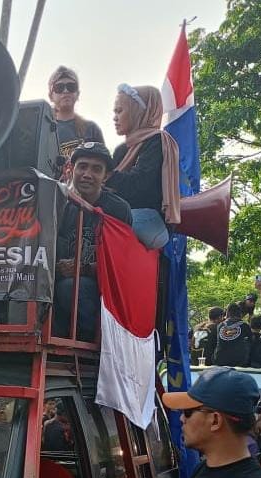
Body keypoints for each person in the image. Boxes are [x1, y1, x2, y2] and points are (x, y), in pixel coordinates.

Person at [54, 142, 132, 339]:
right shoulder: (63, 206)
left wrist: (83, 268)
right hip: (64, 281)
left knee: (69, 288)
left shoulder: (117, 209)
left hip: (101, 291)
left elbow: (121, 266)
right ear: (71, 170)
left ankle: (92, 344)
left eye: (96, 169)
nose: (87, 174)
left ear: (106, 176)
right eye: (82, 166)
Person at [105, 84, 180, 250]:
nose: (114, 118)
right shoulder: (121, 150)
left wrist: (103, 175)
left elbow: (140, 185)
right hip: (126, 214)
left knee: (101, 221)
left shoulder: (157, 141)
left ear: (138, 112)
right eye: (114, 112)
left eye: (119, 111)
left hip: (150, 219)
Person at [47, 67, 104, 170]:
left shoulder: (91, 129)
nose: (65, 91)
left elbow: (102, 167)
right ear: (51, 96)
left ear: (78, 94)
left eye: (71, 86)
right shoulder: (44, 129)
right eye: (59, 87)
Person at [213, 302, 252, 368]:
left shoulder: (220, 325)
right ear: (240, 313)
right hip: (238, 361)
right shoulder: (245, 326)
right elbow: (251, 341)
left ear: (227, 313)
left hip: (220, 359)